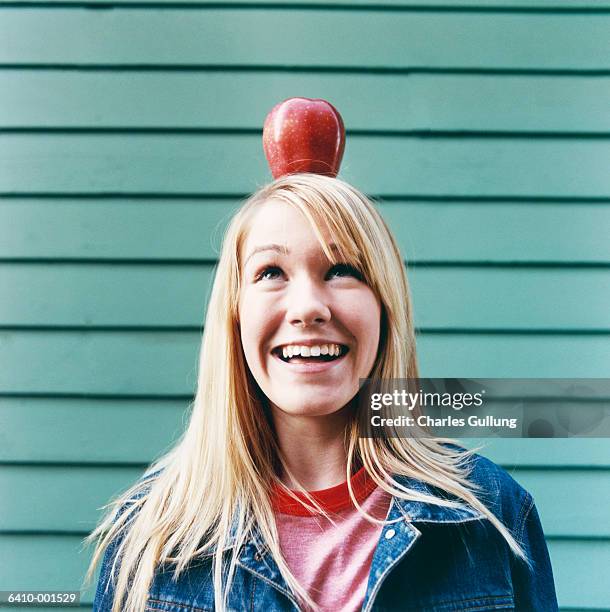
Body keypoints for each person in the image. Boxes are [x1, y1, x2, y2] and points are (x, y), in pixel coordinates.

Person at [86, 173, 558, 612]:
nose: (308, 307)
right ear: (234, 316)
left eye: (342, 270)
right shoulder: (148, 538)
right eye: (271, 272)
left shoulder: (491, 513)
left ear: (385, 309)